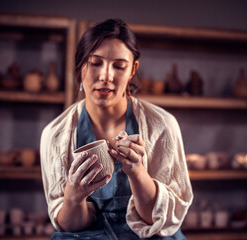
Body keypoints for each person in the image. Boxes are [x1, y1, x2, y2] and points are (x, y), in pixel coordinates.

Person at [40, 18, 193, 240]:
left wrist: (137, 172)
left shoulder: (161, 126)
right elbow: (71, 225)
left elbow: (161, 221)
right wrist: (74, 197)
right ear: (81, 65)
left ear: (133, 70)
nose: (106, 76)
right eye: (95, 63)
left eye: (119, 66)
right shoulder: (56, 135)